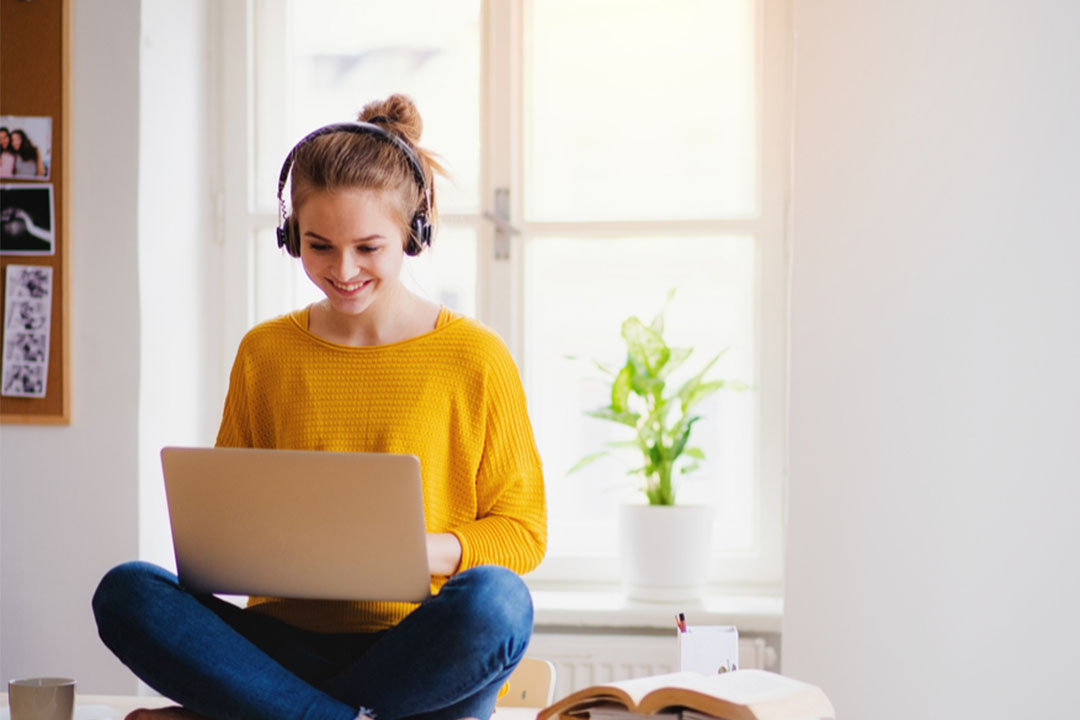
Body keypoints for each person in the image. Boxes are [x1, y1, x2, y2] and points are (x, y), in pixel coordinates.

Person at [91, 94, 547, 720]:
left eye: (368, 247)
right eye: (320, 246)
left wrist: (412, 550)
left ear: (413, 232)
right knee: (127, 594)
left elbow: (523, 533)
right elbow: (226, 527)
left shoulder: (475, 357)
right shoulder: (266, 353)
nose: (344, 269)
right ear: (291, 236)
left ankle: (278, 714)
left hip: (416, 652)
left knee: (498, 602)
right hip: (281, 650)